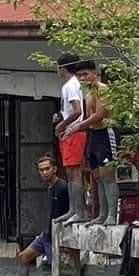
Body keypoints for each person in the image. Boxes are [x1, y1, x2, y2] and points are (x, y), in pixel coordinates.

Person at [66, 61, 119, 226]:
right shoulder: (88, 93)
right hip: (93, 134)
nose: (83, 78)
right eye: (79, 75)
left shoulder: (102, 89)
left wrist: (77, 127)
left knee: (107, 175)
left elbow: (100, 115)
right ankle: (102, 214)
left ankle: (111, 215)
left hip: (105, 132)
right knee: (96, 175)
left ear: (94, 73)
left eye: (85, 74)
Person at [16, 154, 70, 276]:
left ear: (55, 169)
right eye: (41, 170)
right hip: (47, 233)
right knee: (23, 257)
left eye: (47, 169)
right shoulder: (51, 187)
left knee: (55, 267)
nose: (44, 172)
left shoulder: (62, 187)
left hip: (57, 233)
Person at [54, 53, 87, 223]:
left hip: (73, 131)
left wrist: (63, 125)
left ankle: (79, 211)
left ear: (62, 67)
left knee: (74, 172)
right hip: (70, 131)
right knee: (70, 171)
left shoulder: (71, 85)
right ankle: (73, 209)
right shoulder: (70, 85)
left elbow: (77, 110)